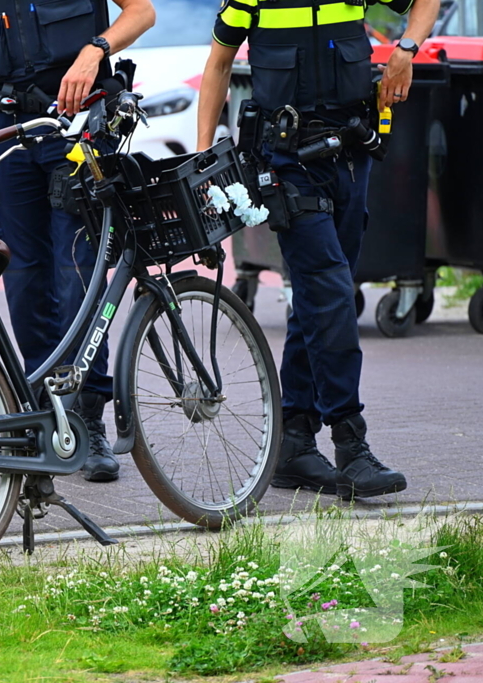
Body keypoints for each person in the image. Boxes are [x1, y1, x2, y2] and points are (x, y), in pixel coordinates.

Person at [197, 0, 438, 498]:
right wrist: (205, 159)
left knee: (320, 297)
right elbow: (219, 63)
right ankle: (351, 444)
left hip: (351, 155)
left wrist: (405, 50)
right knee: (328, 290)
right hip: (286, 163)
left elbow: (425, 2)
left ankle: (294, 444)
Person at [0, 0, 155, 482]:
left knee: (78, 274)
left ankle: (88, 420)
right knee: (24, 281)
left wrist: (96, 49)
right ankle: (45, 418)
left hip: (79, 130)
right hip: (9, 138)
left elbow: (143, 12)